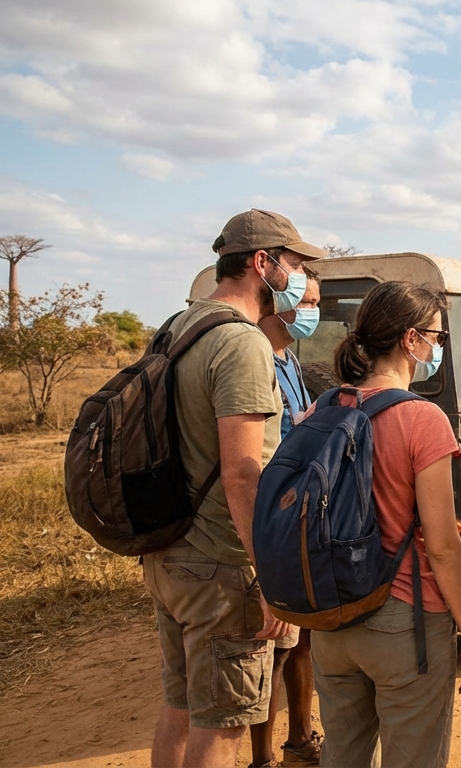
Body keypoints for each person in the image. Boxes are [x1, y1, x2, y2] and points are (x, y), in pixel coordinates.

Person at [146, 209, 321, 768]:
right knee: (223, 726)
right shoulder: (242, 343)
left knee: (181, 708)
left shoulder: (178, 326)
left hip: (169, 551)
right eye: (293, 264)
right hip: (223, 564)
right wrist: (269, 574)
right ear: (261, 263)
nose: (297, 277)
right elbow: (244, 471)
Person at [309, 281, 461, 767]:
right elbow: (443, 546)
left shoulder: (322, 408)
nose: (440, 346)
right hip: (404, 618)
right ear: (411, 341)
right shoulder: (422, 418)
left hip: (331, 617)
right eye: (438, 334)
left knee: (342, 753)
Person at [250, 274, 324, 768]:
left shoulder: (290, 361)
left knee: (302, 640)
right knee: (271, 651)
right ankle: (261, 758)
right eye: (309, 301)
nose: (313, 310)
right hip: (269, 521)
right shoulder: (255, 359)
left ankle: (300, 742)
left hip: (295, 517)